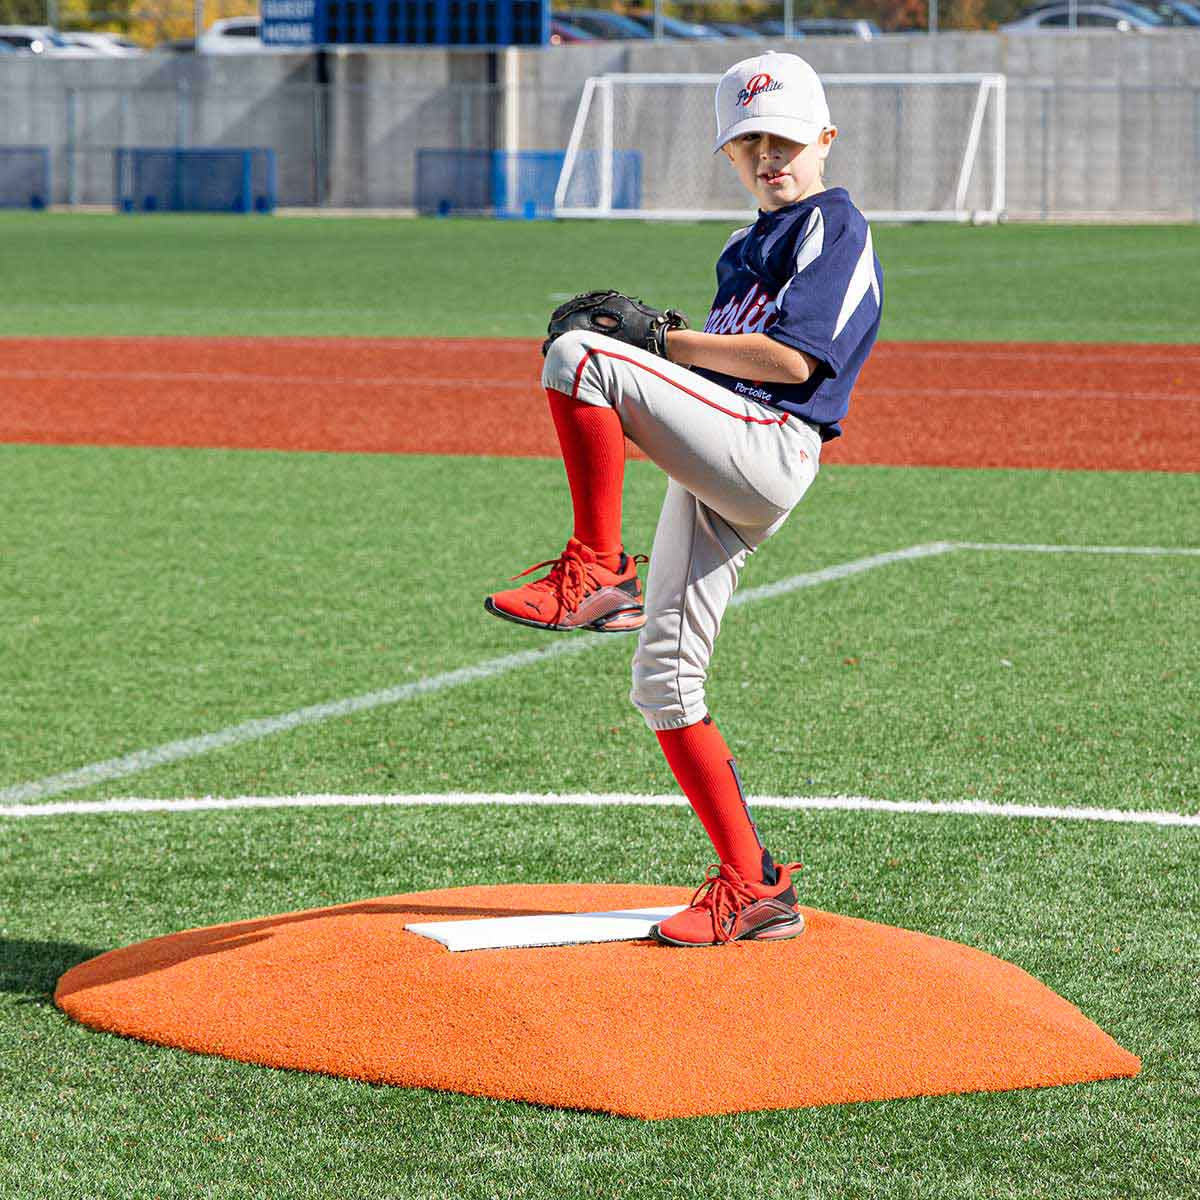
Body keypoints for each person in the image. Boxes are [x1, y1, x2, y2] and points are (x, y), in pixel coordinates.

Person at [484, 52, 883, 946]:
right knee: (665, 682)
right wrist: (666, 349)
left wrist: (660, 340)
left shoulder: (835, 226)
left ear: (824, 138)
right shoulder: (741, 249)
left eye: (784, 138)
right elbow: (704, 368)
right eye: (749, 145)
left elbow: (792, 364)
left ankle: (595, 568)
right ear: (730, 157)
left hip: (772, 447)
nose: (769, 156)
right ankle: (756, 884)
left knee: (578, 356)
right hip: (725, 455)